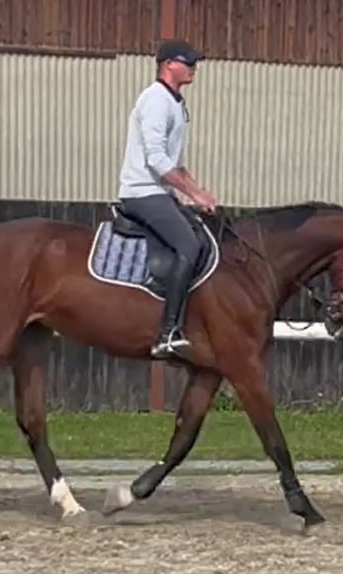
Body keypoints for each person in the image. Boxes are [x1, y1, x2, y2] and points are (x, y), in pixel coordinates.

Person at [117, 38, 218, 360]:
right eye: (187, 62)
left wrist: (199, 192)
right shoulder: (156, 100)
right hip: (141, 192)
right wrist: (192, 192)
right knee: (189, 245)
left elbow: (177, 163)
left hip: (160, 191)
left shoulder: (176, 103)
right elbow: (157, 160)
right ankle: (168, 332)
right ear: (168, 65)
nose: (193, 68)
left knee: (204, 235)